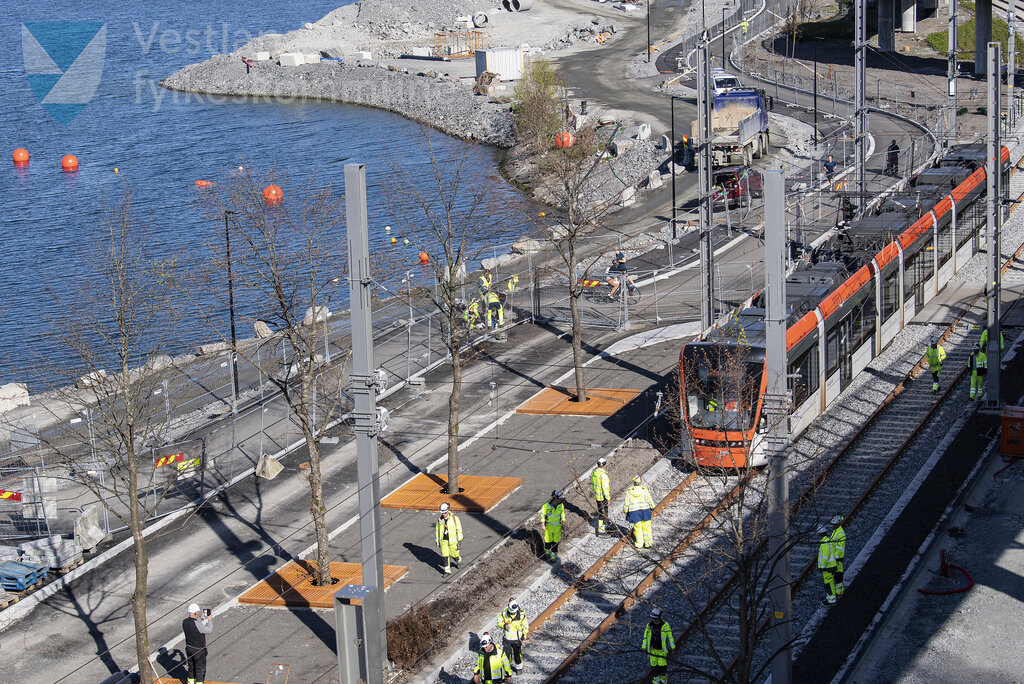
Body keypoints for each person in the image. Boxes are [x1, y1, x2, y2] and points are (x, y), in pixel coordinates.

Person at [642, 607, 675, 684]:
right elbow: (645, 637)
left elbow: (670, 637)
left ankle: (663, 678)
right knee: (654, 665)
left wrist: (673, 647)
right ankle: (656, 678)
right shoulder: (649, 625)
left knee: (662, 665)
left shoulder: (665, 625)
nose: (653, 620)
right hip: (652, 649)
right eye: (652, 618)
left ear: (659, 617)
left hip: (662, 650)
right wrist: (644, 647)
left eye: (655, 618)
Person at [182, 603, 213, 684]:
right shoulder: (197, 624)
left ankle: (190, 682)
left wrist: (201, 618)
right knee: (200, 669)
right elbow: (209, 630)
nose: (198, 613)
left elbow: (195, 624)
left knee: (191, 667)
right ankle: (199, 682)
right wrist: (209, 620)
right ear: (195, 613)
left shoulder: (185, 622)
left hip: (189, 648)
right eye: (198, 612)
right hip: (199, 650)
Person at [497, 597, 530, 674]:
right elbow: (499, 622)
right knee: (506, 655)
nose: (512, 613)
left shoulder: (521, 617)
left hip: (516, 639)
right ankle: (507, 671)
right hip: (507, 639)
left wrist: (524, 635)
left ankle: (519, 668)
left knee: (517, 655)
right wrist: (504, 625)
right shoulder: (504, 614)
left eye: (514, 612)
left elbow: (525, 627)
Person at [623, 476, 655, 549]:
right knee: (647, 527)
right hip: (645, 511)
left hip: (634, 513)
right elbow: (649, 499)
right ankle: (648, 543)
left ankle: (639, 544)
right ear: (640, 481)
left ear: (633, 483)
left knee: (638, 528)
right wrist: (652, 507)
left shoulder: (630, 491)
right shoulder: (644, 490)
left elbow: (626, 503)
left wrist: (625, 511)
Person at [435, 502, 463, 574]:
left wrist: (459, 539)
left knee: (454, 554)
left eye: (444, 513)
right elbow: (438, 531)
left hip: (453, 541)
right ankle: (447, 571)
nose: (443, 514)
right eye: (442, 513)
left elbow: (459, 529)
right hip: (444, 541)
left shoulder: (454, 518)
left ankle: (458, 560)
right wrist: (437, 541)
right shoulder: (440, 520)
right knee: (445, 556)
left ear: (448, 511)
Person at [541, 490, 566, 561]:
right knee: (548, 540)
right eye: (559, 498)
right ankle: (547, 552)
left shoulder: (561, 505)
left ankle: (553, 556)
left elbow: (562, 514)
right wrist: (543, 525)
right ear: (555, 498)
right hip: (548, 526)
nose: (561, 500)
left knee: (556, 541)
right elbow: (543, 515)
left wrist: (563, 522)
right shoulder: (546, 506)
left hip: (558, 527)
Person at [817, 523, 838, 605]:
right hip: (832, 566)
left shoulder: (824, 544)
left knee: (828, 584)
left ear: (819, 535)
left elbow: (825, 557)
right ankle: (830, 597)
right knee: (830, 583)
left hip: (827, 568)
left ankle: (831, 600)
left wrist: (822, 567)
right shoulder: (829, 541)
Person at [591, 457, 611, 535]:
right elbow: (605, 488)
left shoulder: (594, 473)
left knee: (601, 512)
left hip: (597, 496)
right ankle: (602, 529)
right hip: (603, 497)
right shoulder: (603, 475)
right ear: (605, 465)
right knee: (604, 513)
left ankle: (604, 525)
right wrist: (608, 498)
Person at [829, 515, 846, 597]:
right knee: (837, 575)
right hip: (835, 558)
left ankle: (840, 591)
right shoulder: (836, 531)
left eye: (835, 524)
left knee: (838, 575)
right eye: (833, 524)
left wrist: (834, 557)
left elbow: (840, 548)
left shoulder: (840, 534)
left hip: (837, 559)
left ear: (839, 524)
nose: (833, 525)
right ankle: (839, 589)